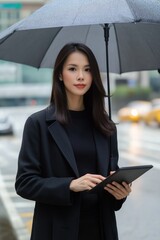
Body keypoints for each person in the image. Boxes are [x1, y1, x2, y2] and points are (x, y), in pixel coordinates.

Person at [15, 42, 131, 240]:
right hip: (57, 231)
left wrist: (120, 193)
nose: (81, 76)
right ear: (60, 74)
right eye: (72, 69)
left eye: (87, 70)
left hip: (101, 230)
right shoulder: (38, 124)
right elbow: (25, 183)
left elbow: (110, 185)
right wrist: (70, 185)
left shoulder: (106, 126)